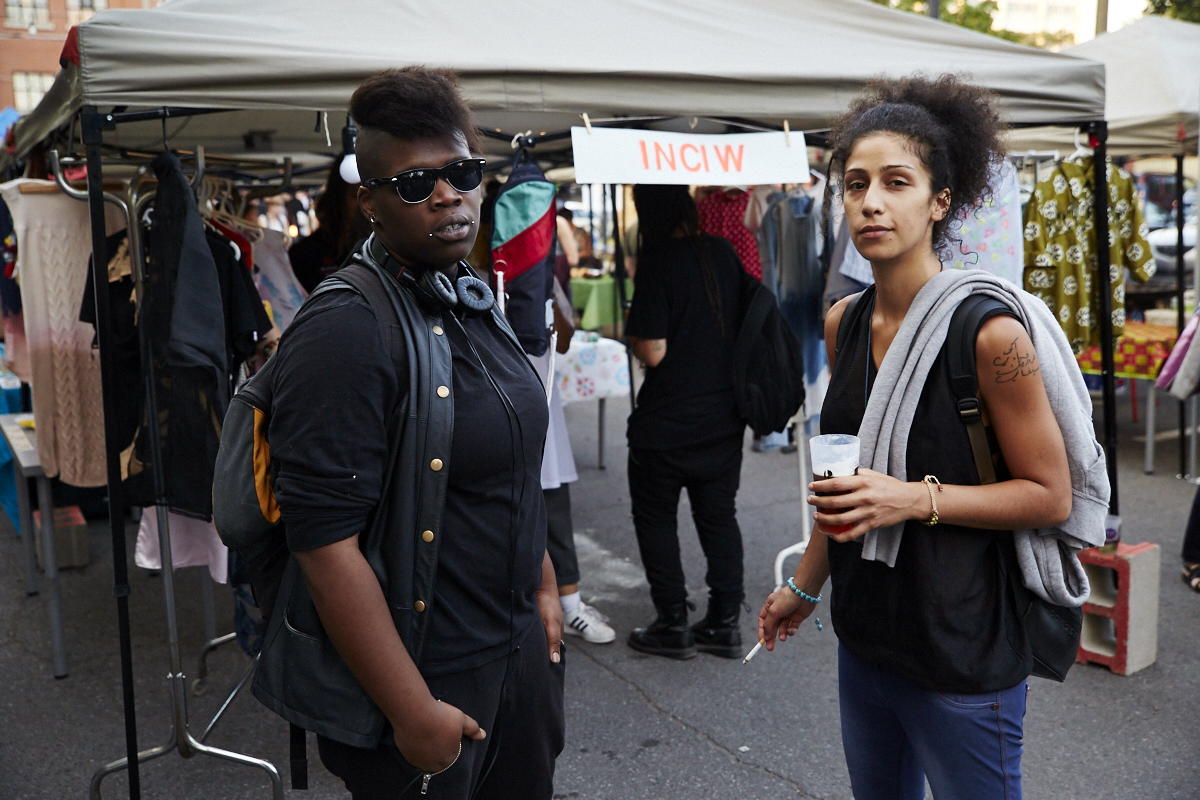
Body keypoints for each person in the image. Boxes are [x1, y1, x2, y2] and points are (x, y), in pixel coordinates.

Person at [757, 76, 1074, 799]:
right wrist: (803, 588)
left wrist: (913, 500)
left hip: (963, 649)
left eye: (896, 182)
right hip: (866, 639)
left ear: (940, 202)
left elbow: (1050, 496)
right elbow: (847, 486)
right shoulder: (843, 323)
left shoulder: (988, 334)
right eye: (856, 183)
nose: (871, 201)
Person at [267, 67, 564, 799]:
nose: (446, 194)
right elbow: (323, 542)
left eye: (462, 171)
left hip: (515, 650)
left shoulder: (469, 294)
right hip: (428, 672)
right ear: (368, 201)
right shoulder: (345, 326)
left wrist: (546, 588)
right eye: (413, 183)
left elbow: (514, 465)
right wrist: (410, 710)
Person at [624, 184, 747, 660]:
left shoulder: (657, 263)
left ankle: (672, 621)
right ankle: (725, 623)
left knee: (656, 520)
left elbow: (653, 351)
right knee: (719, 519)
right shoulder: (722, 252)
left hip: (666, 426)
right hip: (722, 421)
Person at [288, 156, 374, 293]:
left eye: (370, 198)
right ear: (337, 198)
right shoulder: (305, 254)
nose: (365, 206)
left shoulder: (386, 250)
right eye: (355, 196)